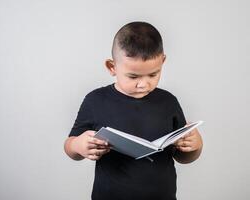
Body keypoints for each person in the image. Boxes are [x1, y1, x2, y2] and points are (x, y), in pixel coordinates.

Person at [64, 21, 203, 200]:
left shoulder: (168, 101)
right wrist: (78, 145)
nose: (143, 84)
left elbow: (183, 157)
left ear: (163, 61)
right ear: (112, 67)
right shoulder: (95, 100)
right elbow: (70, 147)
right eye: (133, 76)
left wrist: (195, 146)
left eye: (153, 74)